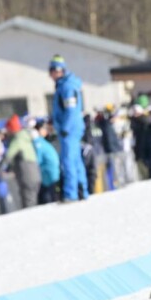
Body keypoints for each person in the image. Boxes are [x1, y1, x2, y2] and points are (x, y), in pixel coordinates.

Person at [49, 54, 88, 201]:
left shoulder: (67, 87)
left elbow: (71, 110)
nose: (51, 75)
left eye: (52, 71)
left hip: (69, 130)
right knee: (76, 160)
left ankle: (71, 193)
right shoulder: (65, 85)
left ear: (59, 71)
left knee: (68, 161)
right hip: (71, 128)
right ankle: (81, 190)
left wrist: (65, 128)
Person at [0, 114, 42, 208]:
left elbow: (8, 156)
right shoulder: (25, 137)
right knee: (32, 202)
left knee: (29, 205)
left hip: (27, 176)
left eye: (8, 129)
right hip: (34, 175)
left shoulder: (18, 139)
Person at [32, 121, 61, 204]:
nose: (46, 130)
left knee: (48, 199)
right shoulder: (42, 142)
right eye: (44, 128)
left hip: (49, 176)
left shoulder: (38, 143)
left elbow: (37, 160)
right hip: (52, 174)